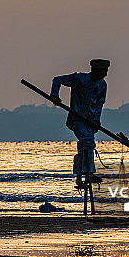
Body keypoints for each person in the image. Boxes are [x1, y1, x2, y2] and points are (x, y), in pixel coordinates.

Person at [48, 59, 110, 189]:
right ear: (95, 70)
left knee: (84, 147)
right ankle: (88, 174)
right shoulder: (79, 79)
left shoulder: (102, 85)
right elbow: (57, 80)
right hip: (76, 119)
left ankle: (79, 178)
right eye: (103, 71)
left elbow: (99, 104)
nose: (105, 74)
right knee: (88, 142)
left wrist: (97, 120)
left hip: (90, 122)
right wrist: (54, 95)